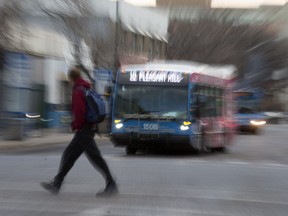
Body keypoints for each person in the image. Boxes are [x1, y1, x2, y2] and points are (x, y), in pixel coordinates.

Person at [41, 68, 118, 197]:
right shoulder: (87, 88)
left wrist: (76, 125)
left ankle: (111, 184)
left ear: (71, 78)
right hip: (87, 129)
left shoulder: (78, 91)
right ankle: (57, 182)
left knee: (95, 157)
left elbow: (80, 112)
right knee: (69, 155)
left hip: (84, 130)